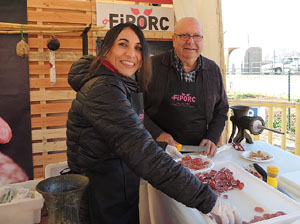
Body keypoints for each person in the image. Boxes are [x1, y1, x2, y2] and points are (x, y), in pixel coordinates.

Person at [66, 22, 240, 224]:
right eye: (123, 44)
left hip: (118, 182)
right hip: (100, 193)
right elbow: (141, 151)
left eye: (138, 48)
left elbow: (123, 136)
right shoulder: (103, 90)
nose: (131, 54)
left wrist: (160, 148)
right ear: (106, 49)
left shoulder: (119, 81)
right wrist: (208, 200)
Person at [144, 17, 229, 157]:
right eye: (184, 35)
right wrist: (157, 134)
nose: (191, 41)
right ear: (174, 39)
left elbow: (221, 109)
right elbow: (136, 108)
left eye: (197, 36)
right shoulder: (152, 66)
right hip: (158, 151)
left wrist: (212, 137)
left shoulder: (213, 70)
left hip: (199, 153)